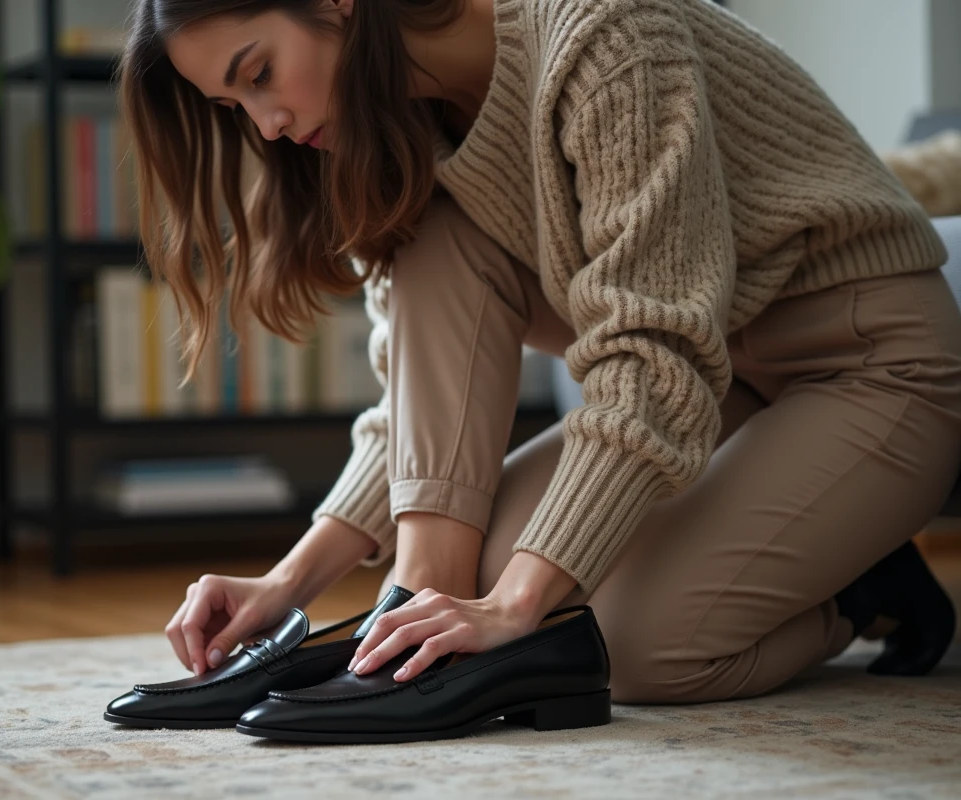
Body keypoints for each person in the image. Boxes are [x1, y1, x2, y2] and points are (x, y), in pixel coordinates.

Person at [117, 0, 961, 704]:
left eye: (258, 74)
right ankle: (414, 603)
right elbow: (417, 415)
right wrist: (287, 586)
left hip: (868, 364)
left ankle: (860, 588)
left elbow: (653, 351)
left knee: (616, 647)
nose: (268, 124)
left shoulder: (602, 35)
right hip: (722, 384)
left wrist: (520, 604)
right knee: (485, 568)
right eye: (235, 109)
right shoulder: (403, 124)